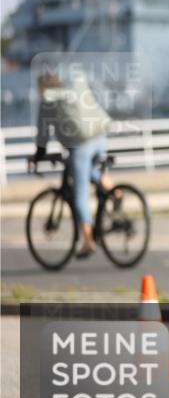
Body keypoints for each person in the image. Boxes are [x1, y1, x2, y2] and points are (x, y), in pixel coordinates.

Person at [30, 70, 117, 258]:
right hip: (100, 135)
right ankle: (115, 192)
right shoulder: (75, 86)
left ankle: (88, 241)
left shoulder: (48, 99)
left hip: (81, 145)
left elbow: (43, 135)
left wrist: (38, 157)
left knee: (80, 196)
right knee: (89, 170)